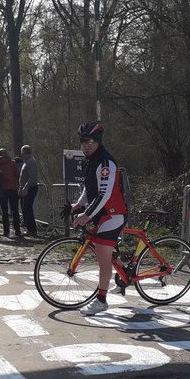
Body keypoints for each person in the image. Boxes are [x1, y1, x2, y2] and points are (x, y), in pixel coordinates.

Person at [70, 122, 127, 316]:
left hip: (113, 213)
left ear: (98, 141)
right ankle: (124, 275)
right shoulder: (90, 160)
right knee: (104, 251)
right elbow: (89, 187)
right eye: (83, 141)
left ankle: (101, 300)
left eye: (90, 141)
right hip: (101, 213)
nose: (86, 145)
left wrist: (86, 214)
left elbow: (103, 193)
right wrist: (78, 204)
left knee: (103, 258)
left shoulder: (105, 163)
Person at [0, 148, 22, 238]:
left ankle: (6, 231)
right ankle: (17, 231)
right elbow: (17, 175)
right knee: (15, 210)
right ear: (6, 154)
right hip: (12, 188)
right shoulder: (13, 163)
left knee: (4, 211)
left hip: (2, 189)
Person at [18, 144, 39, 237]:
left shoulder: (30, 162)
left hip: (30, 188)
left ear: (25, 152)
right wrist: (20, 187)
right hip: (25, 188)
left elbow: (33, 177)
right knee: (24, 207)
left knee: (27, 208)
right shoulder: (26, 162)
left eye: (22, 152)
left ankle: (32, 229)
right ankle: (29, 228)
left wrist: (26, 187)